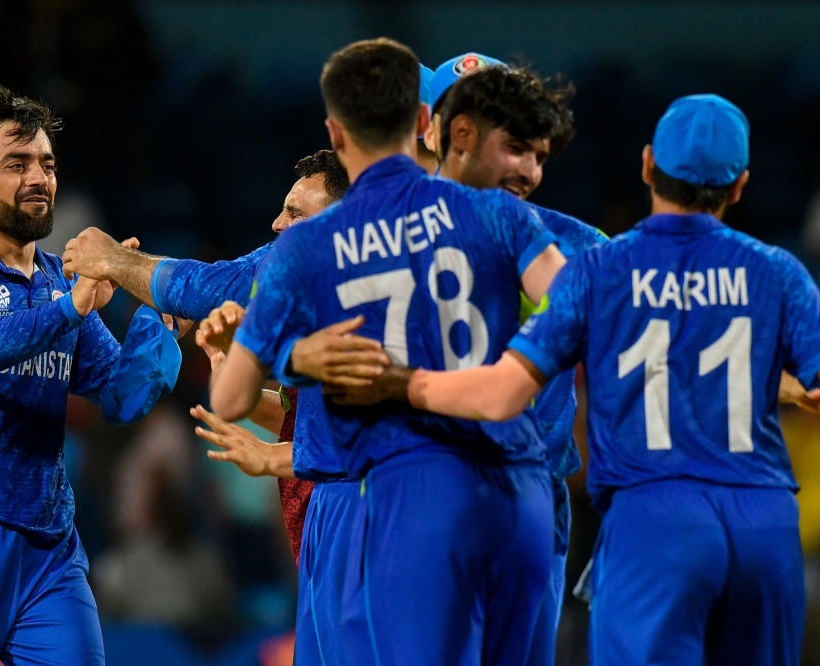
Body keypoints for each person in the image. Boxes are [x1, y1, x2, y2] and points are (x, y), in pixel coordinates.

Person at [346, 94, 820, 666]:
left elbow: (503, 393)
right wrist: (793, 386)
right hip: (766, 526)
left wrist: (405, 383)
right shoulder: (778, 271)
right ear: (738, 186)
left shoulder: (599, 271)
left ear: (649, 165)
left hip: (655, 521)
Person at [206, 38, 566, 665]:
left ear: (335, 133)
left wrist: (293, 359)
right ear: (425, 124)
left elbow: (231, 396)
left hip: (416, 496)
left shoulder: (308, 247)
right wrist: (511, 376)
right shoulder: (500, 216)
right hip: (525, 494)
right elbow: (577, 307)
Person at [0, 84, 183, 665]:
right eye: (16, 164)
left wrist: (157, 325)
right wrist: (71, 309)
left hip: (48, 546)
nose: (39, 178)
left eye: (46, 164)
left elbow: (121, 397)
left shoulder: (57, 280)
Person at [61, 149, 374, 665]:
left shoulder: (341, 275)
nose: (277, 223)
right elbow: (313, 412)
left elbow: (209, 288)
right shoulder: (316, 270)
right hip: (325, 526)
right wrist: (243, 390)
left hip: (361, 523)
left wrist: (114, 259)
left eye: (296, 213)